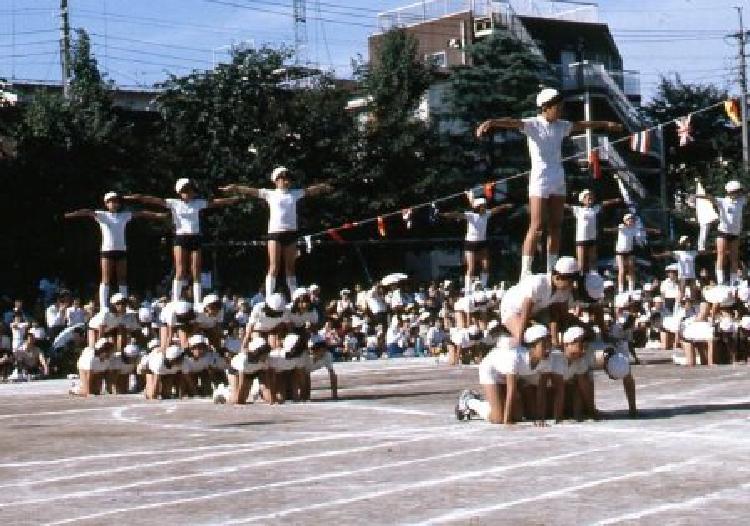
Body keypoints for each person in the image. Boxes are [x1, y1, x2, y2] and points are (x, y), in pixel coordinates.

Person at [476, 87, 622, 278]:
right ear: (545, 107)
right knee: (536, 225)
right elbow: (512, 123)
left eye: (561, 106)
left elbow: (582, 125)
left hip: (558, 178)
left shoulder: (561, 125)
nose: (560, 110)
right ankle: (525, 270)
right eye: (556, 107)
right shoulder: (532, 124)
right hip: (539, 178)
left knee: (556, 226)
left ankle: (550, 267)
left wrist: (606, 123)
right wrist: (491, 122)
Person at [125, 179, 242, 308]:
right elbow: (153, 200)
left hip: (195, 238)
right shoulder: (173, 203)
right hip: (181, 238)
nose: (188, 193)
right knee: (180, 270)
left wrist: (232, 200)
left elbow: (214, 203)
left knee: (196, 270)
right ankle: (175, 300)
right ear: (179, 192)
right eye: (185, 191)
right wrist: (137, 197)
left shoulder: (198, 203)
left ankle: (197, 302)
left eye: (190, 190)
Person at [220, 167, 332, 298]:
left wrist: (323, 187)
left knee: (290, 268)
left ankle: (294, 297)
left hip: (291, 233)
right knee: (274, 266)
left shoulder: (295, 193)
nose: (286, 181)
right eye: (283, 178)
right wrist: (234, 187)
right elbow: (251, 191)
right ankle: (268, 297)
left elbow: (310, 191)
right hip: (275, 233)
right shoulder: (269, 193)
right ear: (276, 180)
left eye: (288, 178)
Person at [65, 191, 168, 311]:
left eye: (116, 201)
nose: (114, 204)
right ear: (106, 203)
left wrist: (158, 215)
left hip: (121, 250)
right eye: (111, 201)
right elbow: (86, 212)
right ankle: (104, 307)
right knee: (106, 278)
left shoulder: (124, 215)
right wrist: (71, 215)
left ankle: (123, 304)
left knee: (122, 278)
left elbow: (141, 214)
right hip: (107, 250)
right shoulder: (101, 215)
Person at [455, 325, 556, 425]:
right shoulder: (515, 357)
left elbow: (542, 390)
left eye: (549, 343)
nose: (548, 348)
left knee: (517, 416)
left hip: (509, 374)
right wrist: (507, 422)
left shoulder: (547, 359)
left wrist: (540, 418)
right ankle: (470, 401)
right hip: (491, 371)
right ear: (532, 346)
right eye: (544, 344)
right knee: (498, 418)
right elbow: (511, 390)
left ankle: (492, 405)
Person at [441, 192, 513, 293]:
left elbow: (497, 210)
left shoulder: (486, 214)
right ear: (478, 207)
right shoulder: (471, 215)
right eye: (483, 206)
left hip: (482, 243)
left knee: (486, 265)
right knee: (471, 267)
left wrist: (505, 206)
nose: (485, 208)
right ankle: (468, 289)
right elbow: (457, 214)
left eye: (485, 206)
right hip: (470, 243)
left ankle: (483, 286)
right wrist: (444, 215)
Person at [499, 256, 579, 347]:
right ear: (558, 277)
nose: (572, 285)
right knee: (529, 338)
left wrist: (556, 340)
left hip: (536, 311)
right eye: (570, 281)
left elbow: (555, 315)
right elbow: (525, 312)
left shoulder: (564, 289)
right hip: (512, 309)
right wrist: (520, 338)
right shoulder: (538, 283)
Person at [694, 180, 747, 285]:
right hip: (723, 232)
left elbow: (747, 195)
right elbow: (710, 198)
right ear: (730, 192)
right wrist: (698, 196)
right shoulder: (723, 201)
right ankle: (721, 282)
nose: (739, 193)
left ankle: (733, 281)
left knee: (734, 258)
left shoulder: (742, 201)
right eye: (736, 191)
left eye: (739, 191)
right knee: (721, 255)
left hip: (735, 234)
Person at [566, 190, 621, 272]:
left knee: (593, 261)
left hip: (592, 238)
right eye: (587, 196)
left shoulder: (595, 208)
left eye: (591, 196)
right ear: (583, 199)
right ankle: (581, 279)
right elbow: (566, 206)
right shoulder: (577, 209)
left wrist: (615, 200)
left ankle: (593, 277)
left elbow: (604, 203)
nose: (590, 197)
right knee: (581, 262)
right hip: (581, 239)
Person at [604, 213, 659, 293]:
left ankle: (631, 288)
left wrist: (654, 230)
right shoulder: (622, 227)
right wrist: (606, 230)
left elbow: (644, 229)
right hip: (620, 252)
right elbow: (614, 229)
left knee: (631, 269)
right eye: (629, 219)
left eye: (632, 219)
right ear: (625, 221)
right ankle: (621, 289)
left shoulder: (635, 228)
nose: (631, 220)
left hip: (630, 252)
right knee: (622, 270)